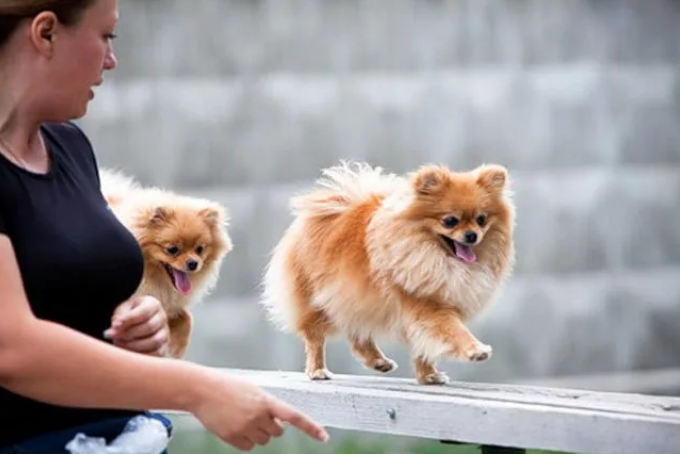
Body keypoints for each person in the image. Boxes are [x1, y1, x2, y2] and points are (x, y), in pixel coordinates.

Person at [0, 0, 329, 452]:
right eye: (107, 37)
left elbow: (65, 297)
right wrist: (195, 388)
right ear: (46, 33)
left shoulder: (71, 146)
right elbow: (13, 349)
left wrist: (141, 322)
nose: (112, 60)